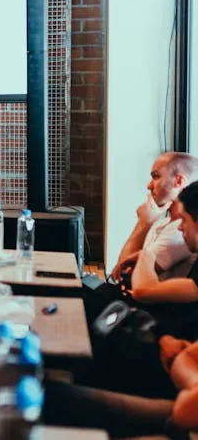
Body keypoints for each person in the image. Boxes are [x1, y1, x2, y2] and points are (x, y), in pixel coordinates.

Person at [43, 181, 198, 437]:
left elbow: (186, 410)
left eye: (186, 221)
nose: (180, 227)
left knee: (53, 394)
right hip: (157, 353)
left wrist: (176, 359)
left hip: (159, 373)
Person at [110, 152, 198, 286]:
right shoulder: (163, 224)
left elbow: (125, 276)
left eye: (156, 177)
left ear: (179, 181)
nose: (149, 186)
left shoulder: (179, 232)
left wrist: (144, 223)